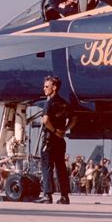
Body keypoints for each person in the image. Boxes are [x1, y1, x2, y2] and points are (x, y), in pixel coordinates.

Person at [35, 76, 77, 204]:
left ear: (54, 88)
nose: (44, 89)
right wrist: (64, 130)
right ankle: (64, 196)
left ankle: (47, 195)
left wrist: (53, 131)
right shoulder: (64, 103)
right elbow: (74, 118)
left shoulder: (49, 103)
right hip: (60, 140)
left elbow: (46, 120)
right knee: (61, 168)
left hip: (50, 139)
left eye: (47, 87)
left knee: (47, 166)